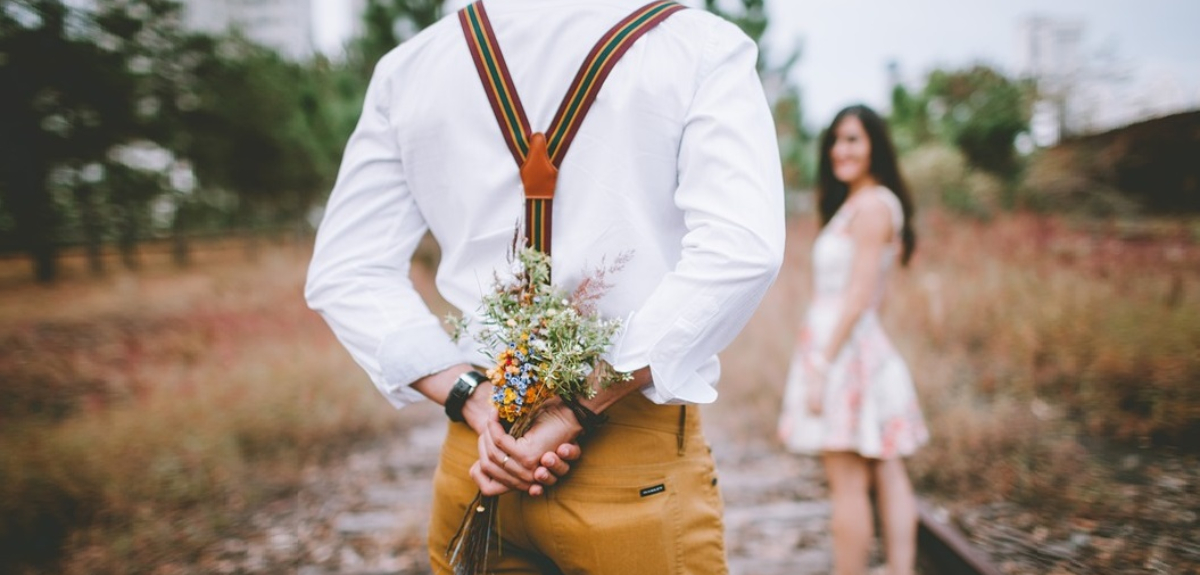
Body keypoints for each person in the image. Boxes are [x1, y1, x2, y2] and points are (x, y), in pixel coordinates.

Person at [305, 0, 785, 572]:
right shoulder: (698, 46)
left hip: (482, 459)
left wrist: (473, 397)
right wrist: (579, 401)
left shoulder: (411, 68)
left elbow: (346, 270)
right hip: (630, 462)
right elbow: (742, 248)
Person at [776, 104, 929, 575]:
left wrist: (823, 363)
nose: (841, 150)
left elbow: (861, 293)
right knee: (886, 466)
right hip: (854, 344)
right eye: (836, 141)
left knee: (847, 480)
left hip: (842, 350)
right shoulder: (866, 203)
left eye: (853, 140)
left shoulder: (871, 206)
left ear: (874, 147)